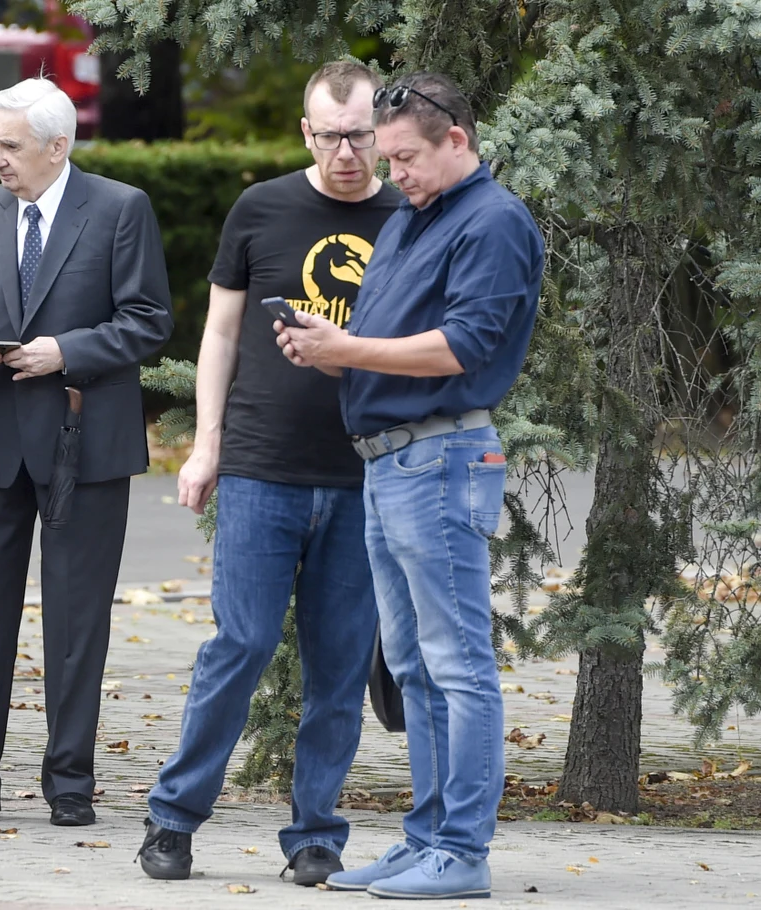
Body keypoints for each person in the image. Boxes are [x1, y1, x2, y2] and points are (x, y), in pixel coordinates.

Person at [274, 72, 544, 899]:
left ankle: (462, 853)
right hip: (390, 462)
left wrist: (345, 353)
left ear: (457, 138)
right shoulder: (415, 216)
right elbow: (389, 332)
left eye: (406, 158)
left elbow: (461, 348)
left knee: (458, 666)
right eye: (387, 159)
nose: (393, 174)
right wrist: (328, 341)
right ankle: (427, 840)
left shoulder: (493, 221)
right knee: (417, 669)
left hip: (442, 459)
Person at [136, 61, 403, 887]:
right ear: (305, 132)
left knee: (338, 664)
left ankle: (316, 834)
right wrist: (207, 444)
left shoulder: (410, 216)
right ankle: (173, 818)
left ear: (382, 133)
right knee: (240, 643)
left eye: (361, 135)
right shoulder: (262, 209)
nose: (347, 152)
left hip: (363, 475)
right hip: (260, 466)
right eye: (331, 136)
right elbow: (219, 337)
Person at [0, 77, 173, 827]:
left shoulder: (119, 207)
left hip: (85, 441)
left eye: (10, 145)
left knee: (77, 623)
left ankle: (69, 778)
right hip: (0, 440)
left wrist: (64, 350)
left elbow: (148, 319)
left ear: (56, 145)